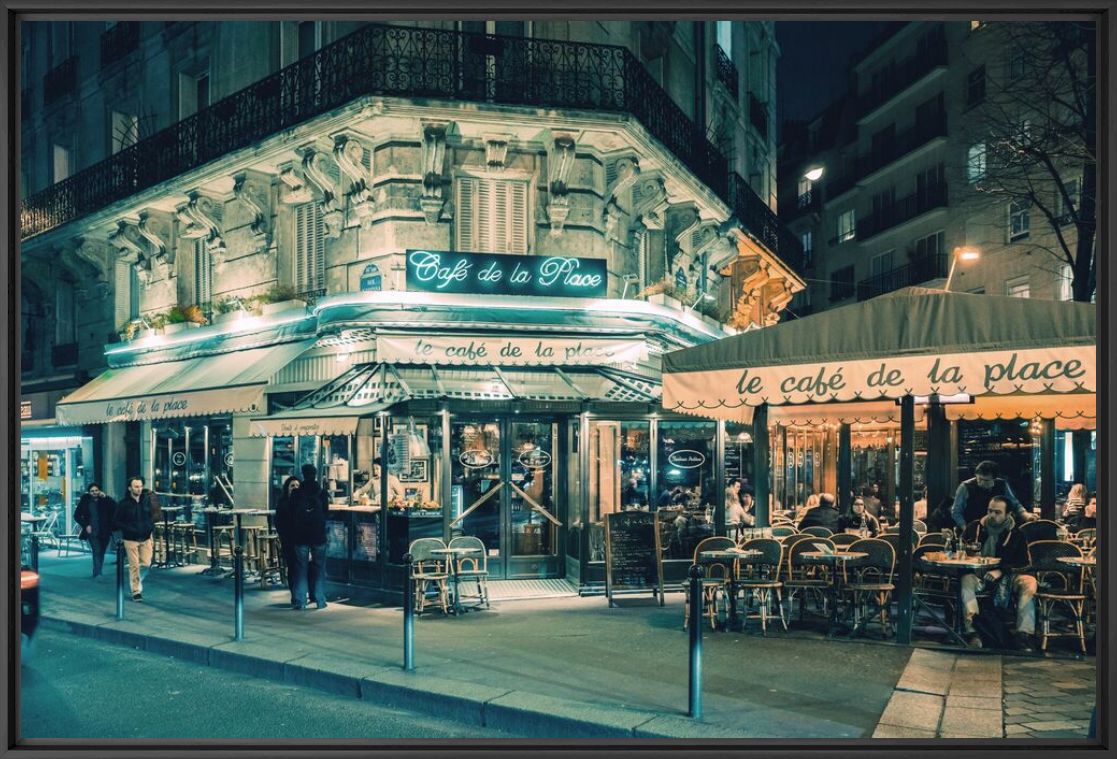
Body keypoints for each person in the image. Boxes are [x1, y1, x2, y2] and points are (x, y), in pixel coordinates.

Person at [958, 495, 1038, 650]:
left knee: (1029, 582)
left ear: (1008, 515)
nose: (992, 515)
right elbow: (960, 549)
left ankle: (1023, 634)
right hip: (978, 573)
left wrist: (1001, 570)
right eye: (990, 511)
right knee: (966, 580)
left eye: (997, 512)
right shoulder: (975, 528)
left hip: (1008, 575)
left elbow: (1024, 562)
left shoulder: (1016, 534)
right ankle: (973, 631)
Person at [112, 476, 161, 601]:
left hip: (146, 537)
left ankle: (137, 582)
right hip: (130, 539)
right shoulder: (123, 504)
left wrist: (150, 528)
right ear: (130, 488)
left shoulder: (147, 501)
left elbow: (153, 516)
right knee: (134, 565)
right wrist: (128, 528)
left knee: (146, 564)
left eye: (140, 486)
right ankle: (136, 591)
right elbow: (116, 521)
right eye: (136, 486)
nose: (139, 489)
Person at [952, 460, 1033, 530]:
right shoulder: (965, 487)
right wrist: (966, 528)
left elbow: (1014, 504)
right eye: (978, 478)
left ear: (994, 479)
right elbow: (956, 512)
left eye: (985, 480)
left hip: (998, 528)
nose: (980, 482)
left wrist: (1026, 516)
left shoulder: (1002, 484)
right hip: (973, 526)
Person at [291, 464, 329, 610]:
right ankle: (320, 600)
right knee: (319, 567)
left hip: (300, 535)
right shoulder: (321, 492)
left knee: (301, 568)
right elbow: (326, 512)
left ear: (303, 474)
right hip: (318, 535)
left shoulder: (297, 493)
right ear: (315, 474)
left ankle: (301, 601)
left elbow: (293, 513)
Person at [73, 482, 117, 579]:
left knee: (101, 551)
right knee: (96, 551)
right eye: (92, 491)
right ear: (89, 492)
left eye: (96, 490)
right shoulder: (85, 501)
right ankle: (98, 573)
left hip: (104, 530)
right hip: (92, 531)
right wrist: (86, 525)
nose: (94, 492)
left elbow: (115, 508)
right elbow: (76, 516)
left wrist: (106, 497)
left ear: (100, 490)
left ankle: (97, 570)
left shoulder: (104, 500)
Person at [274, 476, 302, 607]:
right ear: (287, 488)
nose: (295, 488)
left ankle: (301, 595)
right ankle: (295, 596)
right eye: (292, 486)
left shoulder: (304, 502)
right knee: (293, 568)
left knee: (302, 569)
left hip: (302, 541)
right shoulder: (283, 503)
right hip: (289, 541)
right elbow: (279, 522)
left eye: (297, 485)